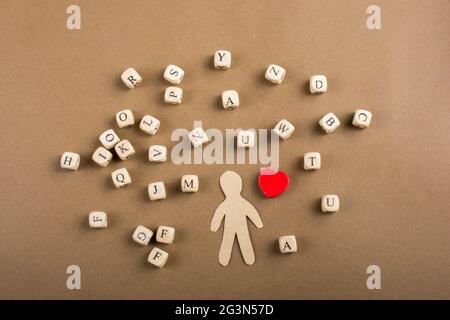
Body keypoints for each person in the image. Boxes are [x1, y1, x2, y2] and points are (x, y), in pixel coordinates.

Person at [211, 171, 263, 266]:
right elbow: (252, 212)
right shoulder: (240, 203)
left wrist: (215, 226)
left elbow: (219, 214)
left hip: (235, 226)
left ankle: (230, 259)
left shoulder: (227, 204)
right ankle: (246, 258)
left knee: (233, 240)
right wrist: (258, 223)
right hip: (232, 227)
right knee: (235, 240)